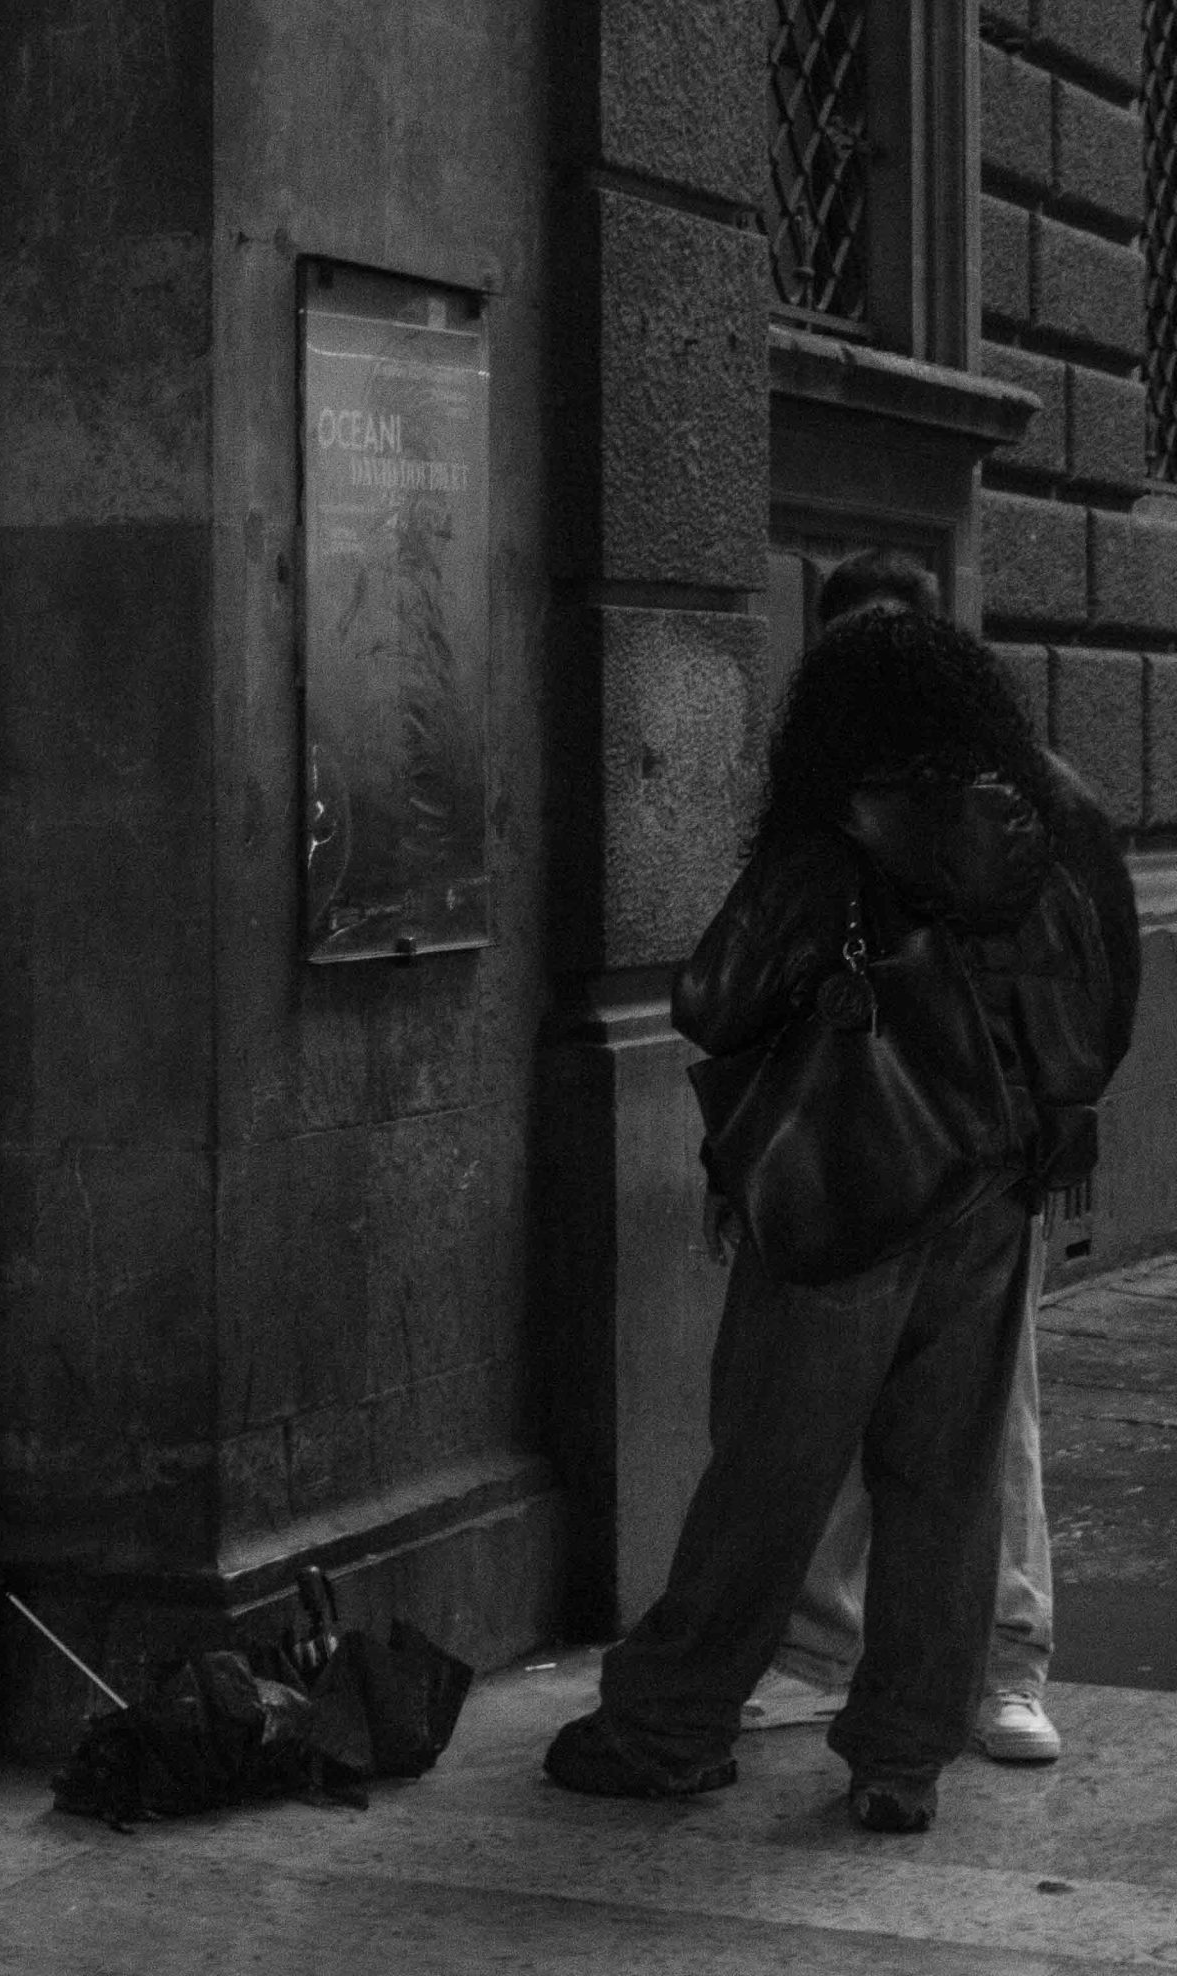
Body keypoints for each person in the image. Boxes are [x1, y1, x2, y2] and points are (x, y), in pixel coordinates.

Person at [543, 595, 1132, 1831]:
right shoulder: (1060, 806)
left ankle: (667, 1724)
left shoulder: (839, 823)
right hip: (990, 1191)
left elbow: (713, 995)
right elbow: (1105, 997)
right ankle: (901, 1760)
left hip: (848, 1188)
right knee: (947, 1481)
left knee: (771, 1468)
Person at [738, 555, 1139, 1770]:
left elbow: (1098, 979)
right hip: (852, 1155)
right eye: (847, 650)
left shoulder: (1035, 796)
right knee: (832, 1409)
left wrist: (1053, 1123)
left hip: (977, 1160)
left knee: (988, 1423)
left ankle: (1005, 1664)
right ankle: (824, 1648)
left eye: (887, 645)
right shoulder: (825, 802)